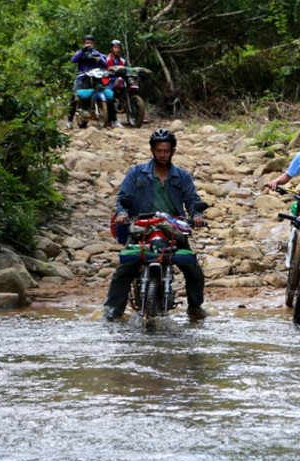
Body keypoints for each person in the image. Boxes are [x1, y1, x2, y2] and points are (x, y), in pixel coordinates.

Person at [103, 129, 208, 321]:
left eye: (166, 151)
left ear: (173, 152)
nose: (162, 154)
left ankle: (195, 307)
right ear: (152, 150)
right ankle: (113, 310)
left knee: (193, 270)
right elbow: (123, 198)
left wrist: (197, 214)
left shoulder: (182, 176)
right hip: (142, 228)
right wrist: (123, 213)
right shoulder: (137, 173)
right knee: (125, 269)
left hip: (173, 229)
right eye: (159, 150)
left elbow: (193, 200)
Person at [66, 34, 122, 129]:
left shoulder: (97, 53)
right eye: (87, 43)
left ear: (94, 44)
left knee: (109, 95)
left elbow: (105, 65)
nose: (89, 45)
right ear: (84, 43)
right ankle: (69, 121)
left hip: (96, 77)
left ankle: (114, 120)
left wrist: (99, 60)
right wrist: (83, 51)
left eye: (91, 43)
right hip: (82, 77)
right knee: (74, 95)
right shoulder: (81, 53)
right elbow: (73, 60)